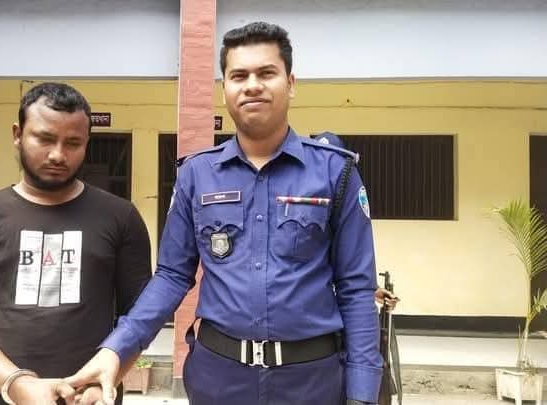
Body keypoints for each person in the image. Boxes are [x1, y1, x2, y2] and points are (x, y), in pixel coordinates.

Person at [68, 22, 383, 405]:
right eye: (239, 76)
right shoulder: (196, 174)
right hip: (218, 378)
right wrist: (116, 349)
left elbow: (355, 288)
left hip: (312, 381)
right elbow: (171, 276)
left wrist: (363, 393)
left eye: (266, 73)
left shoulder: (336, 172)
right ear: (225, 90)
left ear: (291, 83)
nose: (252, 85)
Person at [0, 82, 152, 405]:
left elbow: (139, 318)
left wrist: (110, 377)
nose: (57, 155)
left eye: (73, 143)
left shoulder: (121, 217)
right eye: (45, 139)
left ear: (87, 142)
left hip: (90, 399)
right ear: (17, 134)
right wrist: (17, 384)